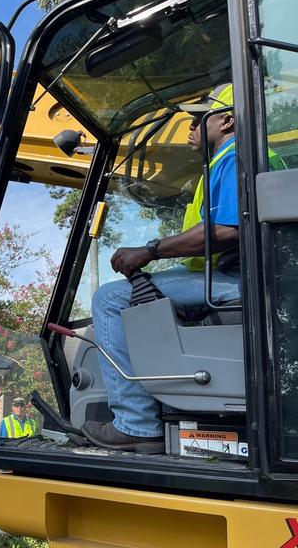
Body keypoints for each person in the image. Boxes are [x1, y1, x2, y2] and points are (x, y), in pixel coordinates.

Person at [81, 84, 244, 454]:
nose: (189, 129)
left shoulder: (236, 158)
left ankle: (136, 425)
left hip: (238, 282)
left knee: (109, 298)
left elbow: (227, 230)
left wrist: (149, 251)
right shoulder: (234, 162)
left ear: (228, 119)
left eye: (197, 120)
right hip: (245, 278)